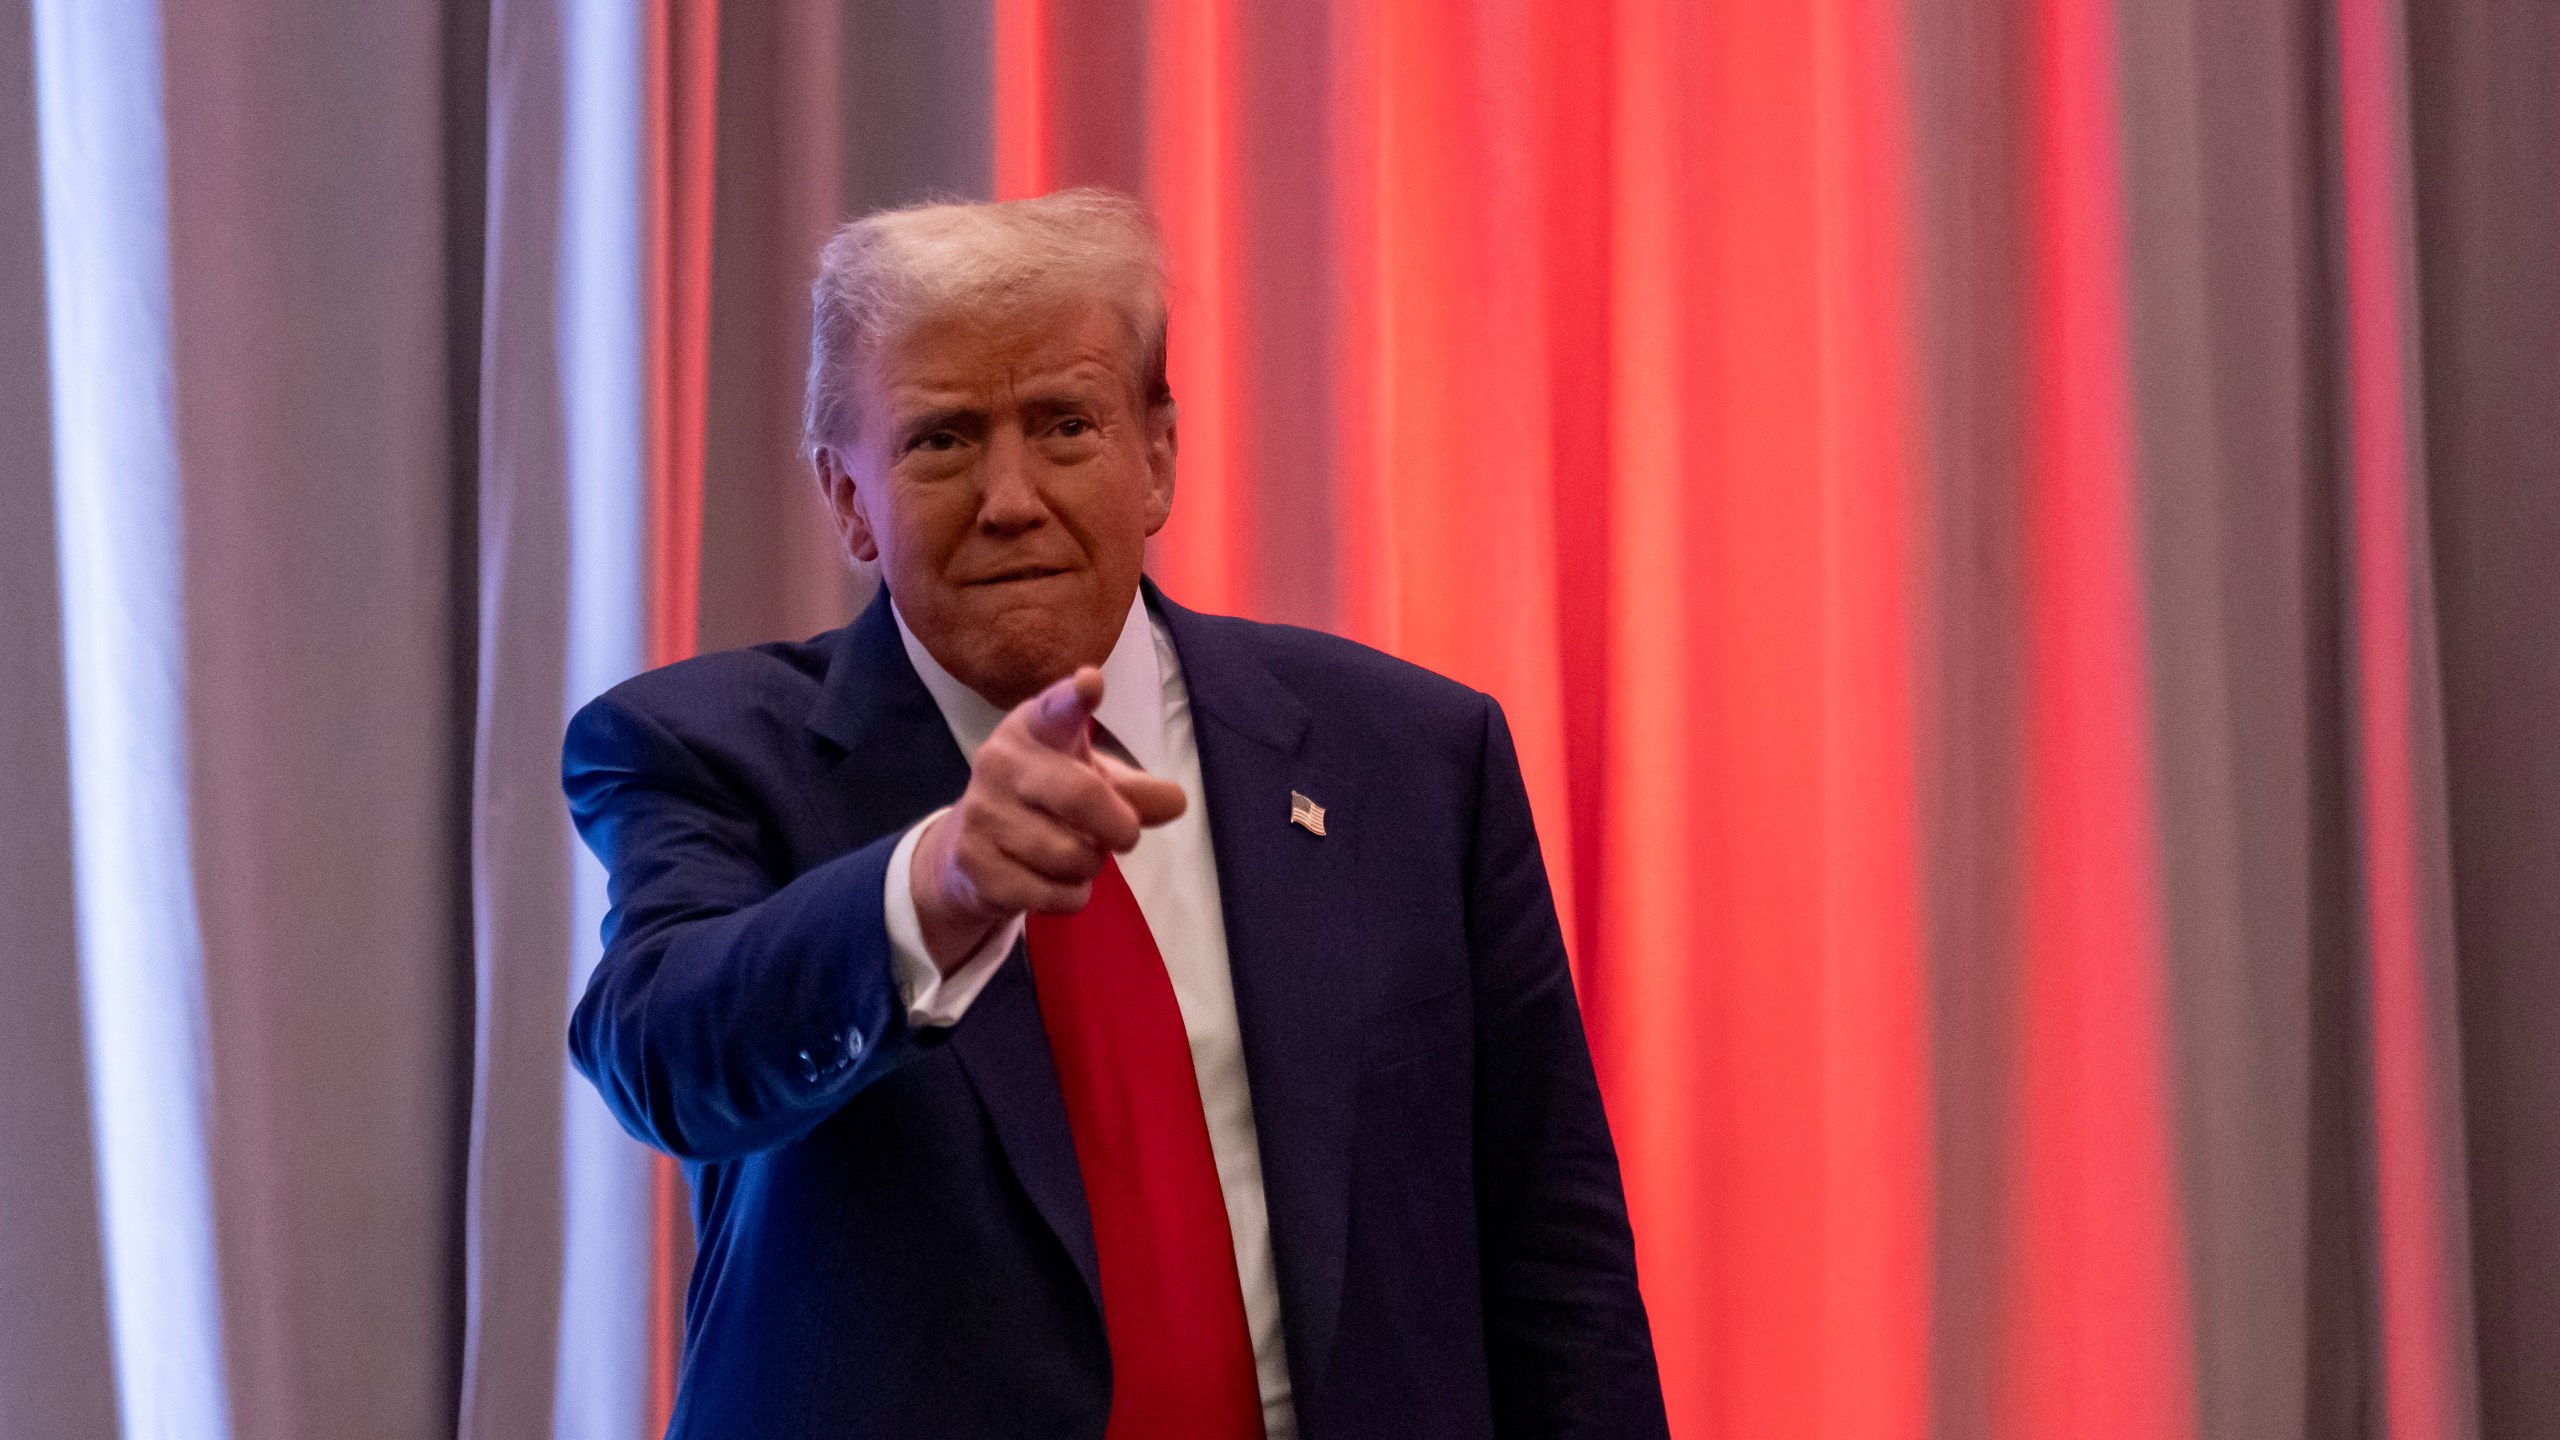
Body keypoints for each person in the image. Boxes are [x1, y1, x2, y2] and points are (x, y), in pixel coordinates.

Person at [564, 189, 1667, 1439]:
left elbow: (1551, 1249)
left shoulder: (1409, 758)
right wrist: (933, 890)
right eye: (939, 440)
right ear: (847, 499)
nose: (1012, 496)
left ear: (1158, 458)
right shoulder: (702, 749)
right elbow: (662, 1048)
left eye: (1066, 426)